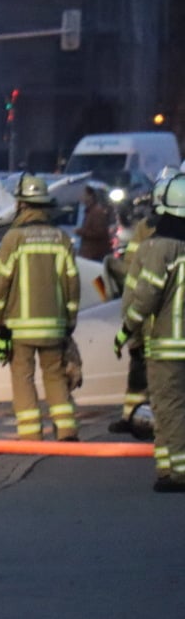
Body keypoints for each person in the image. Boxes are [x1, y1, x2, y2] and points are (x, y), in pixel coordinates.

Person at [0, 173, 81, 441]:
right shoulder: (61, 238)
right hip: (55, 326)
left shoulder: (13, 239)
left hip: (19, 328)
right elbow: (73, 283)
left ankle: (30, 436)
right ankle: (67, 430)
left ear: (21, 204)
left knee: (23, 377)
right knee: (55, 376)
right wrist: (70, 320)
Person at [115, 173, 185, 492]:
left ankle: (176, 472)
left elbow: (145, 297)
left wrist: (128, 329)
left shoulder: (160, 248)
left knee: (168, 408)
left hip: (167, 346)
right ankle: (169, 468)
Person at [108, 169, 176, 434]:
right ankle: (135, 416)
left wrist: (129, 325)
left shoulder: (149, 234)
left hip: (154, 322)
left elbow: (134, 278)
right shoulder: (148, 231)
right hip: (162, 322)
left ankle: (141, 420)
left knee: (151, 376)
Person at [73, 182, 113, 261]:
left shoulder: (97, 212)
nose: (81, 197)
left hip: (94, 255)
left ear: (90, 196)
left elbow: (99, 232)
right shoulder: (89, 211)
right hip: (89, 254)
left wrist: (80, 232)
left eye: (83, 195)